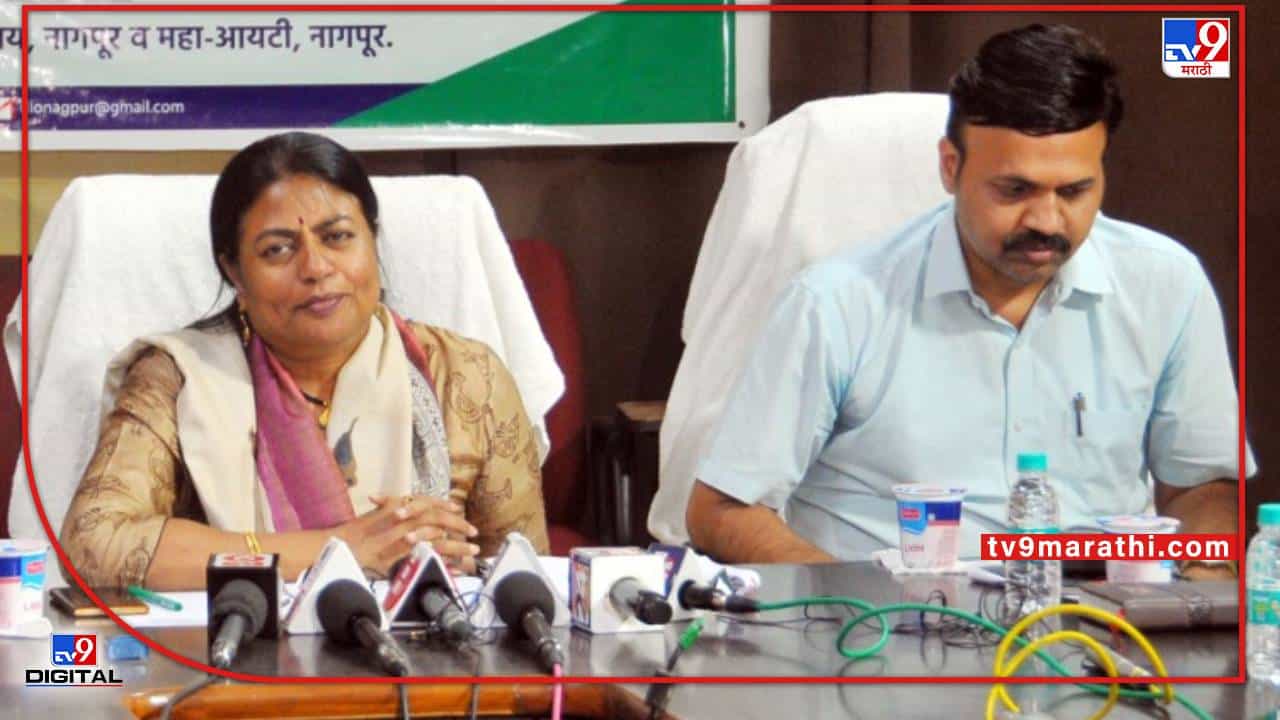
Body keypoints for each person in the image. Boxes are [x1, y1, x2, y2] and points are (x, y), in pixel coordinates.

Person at [684, 24, 1252, 578]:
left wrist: (1203, 587)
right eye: (1015, 190)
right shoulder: (837, 303)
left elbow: (1203, 484)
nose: (1046, 220)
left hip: (1101, 618)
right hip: (896, 615)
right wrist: (852, 602)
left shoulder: (1166, 284)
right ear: (950, 167)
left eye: (1074, 191)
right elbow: (722, 510)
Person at [59, 132, 550, 590]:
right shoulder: (179, 378)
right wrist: (339, 551)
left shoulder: (465, 376)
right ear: (234, 272)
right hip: (231, 646)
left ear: (373, 240)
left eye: (337, 237)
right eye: (277, 249)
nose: (315, 268)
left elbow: (528, 575)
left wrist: (457, 566)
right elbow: (94, 545)